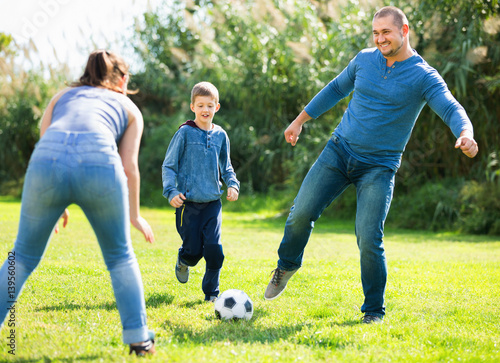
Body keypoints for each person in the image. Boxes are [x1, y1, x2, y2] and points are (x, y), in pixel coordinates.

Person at [264, 6, 478, 323]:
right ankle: (287, 264)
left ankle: (374, 311)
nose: (379, 39)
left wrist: (466, 133)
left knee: (368, 237)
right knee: (301, 213)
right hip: (339, 151)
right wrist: (300, 121)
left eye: (386, 32)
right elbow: (336, 88)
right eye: (375, 33)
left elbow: (449, 107)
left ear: (404, 31)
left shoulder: (423, 76)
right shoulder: (364, 59)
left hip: (379, 167)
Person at [0, 50, 157, 355]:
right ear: (123, 80)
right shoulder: (128, 106)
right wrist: (135, 215)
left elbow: (47, 141)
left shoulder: (61, 96)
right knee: (120, 256)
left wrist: (57, 200)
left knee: (21, 257)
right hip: (100, 164)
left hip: (46, 164)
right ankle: (139, 340)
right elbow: (129, 167)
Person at [162, 81, 240, 302]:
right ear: (192, 107)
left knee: (214, 250)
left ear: (217, 107)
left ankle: (211, 294)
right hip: (189, 204)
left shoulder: (221, 135)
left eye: (209, 105)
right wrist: (171, 191)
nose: (205, 110)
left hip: (212, 203)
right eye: (200, 105)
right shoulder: (185, 133)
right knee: (194, 251)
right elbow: (169, 165)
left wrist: (232, 184)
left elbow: (226, 166)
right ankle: (183, 259)